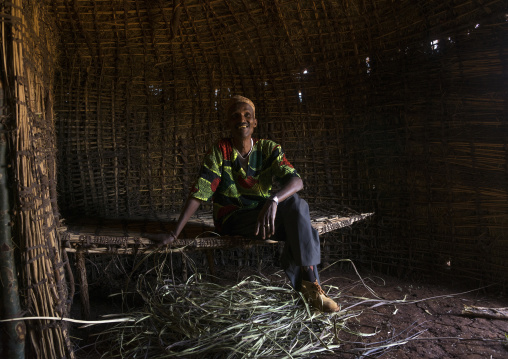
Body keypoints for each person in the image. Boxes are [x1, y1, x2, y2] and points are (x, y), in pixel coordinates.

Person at [155, 95, 339, 312]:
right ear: (228, 123)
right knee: (301, 224)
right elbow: (201, 191)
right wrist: (175, 233)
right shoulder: (220, 151)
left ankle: (310, 290)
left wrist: (274, 198)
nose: (241, 119)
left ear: (254, 122)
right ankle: (311, 288)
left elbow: (296, 180)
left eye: (247, 115)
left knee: (298, 209)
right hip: (233, 218)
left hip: (264, 218)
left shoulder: (268, 149)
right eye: (235, 116)